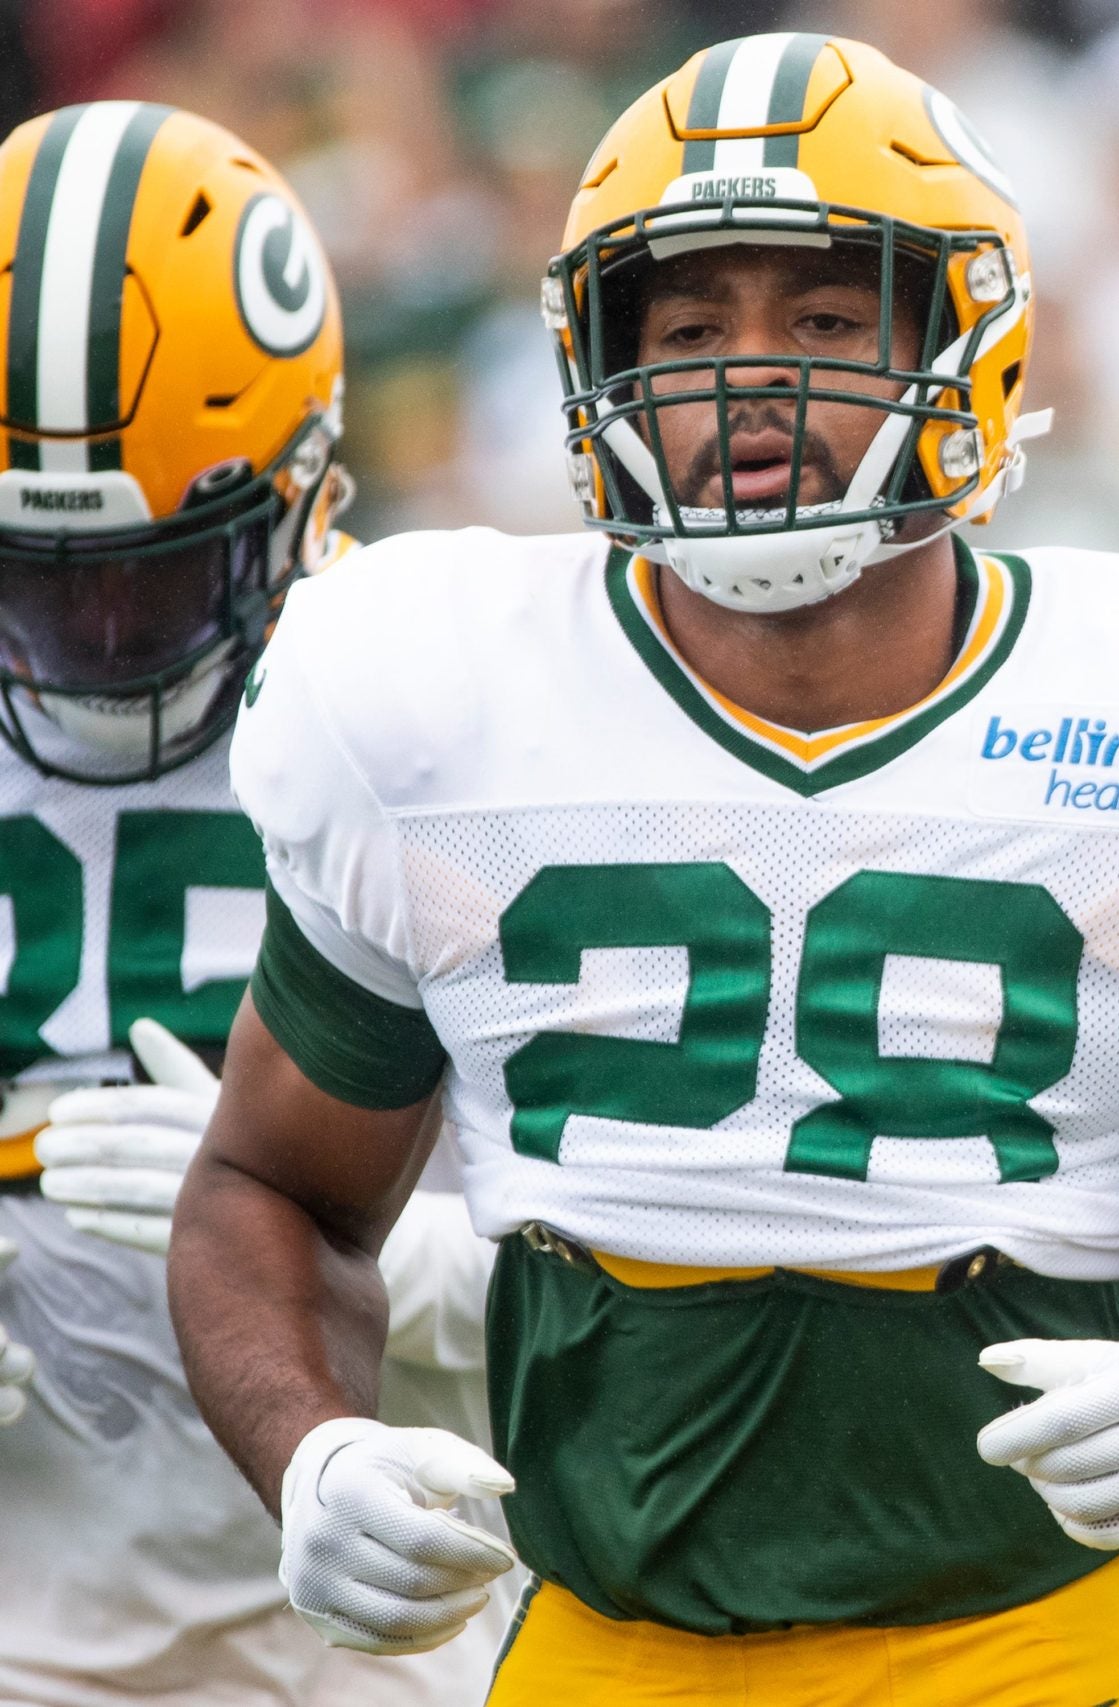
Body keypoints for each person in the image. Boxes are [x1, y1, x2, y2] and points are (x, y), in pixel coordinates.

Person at [161, 34, 1119, 1704]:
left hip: (1042, 1644)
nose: (746, 379)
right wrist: (313, 1452)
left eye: (824, 319)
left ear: (964, 340)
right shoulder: (434, 697)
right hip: (605, 1646)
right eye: (693, 327)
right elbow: (269, 1189)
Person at [0, 103, 504, 1704]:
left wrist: (331, 1246)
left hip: (384, 1622)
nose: (95, 640)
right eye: (33, 575)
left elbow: (660, 1244)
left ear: (304, 493)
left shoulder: (452, 716)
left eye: (154, 573)